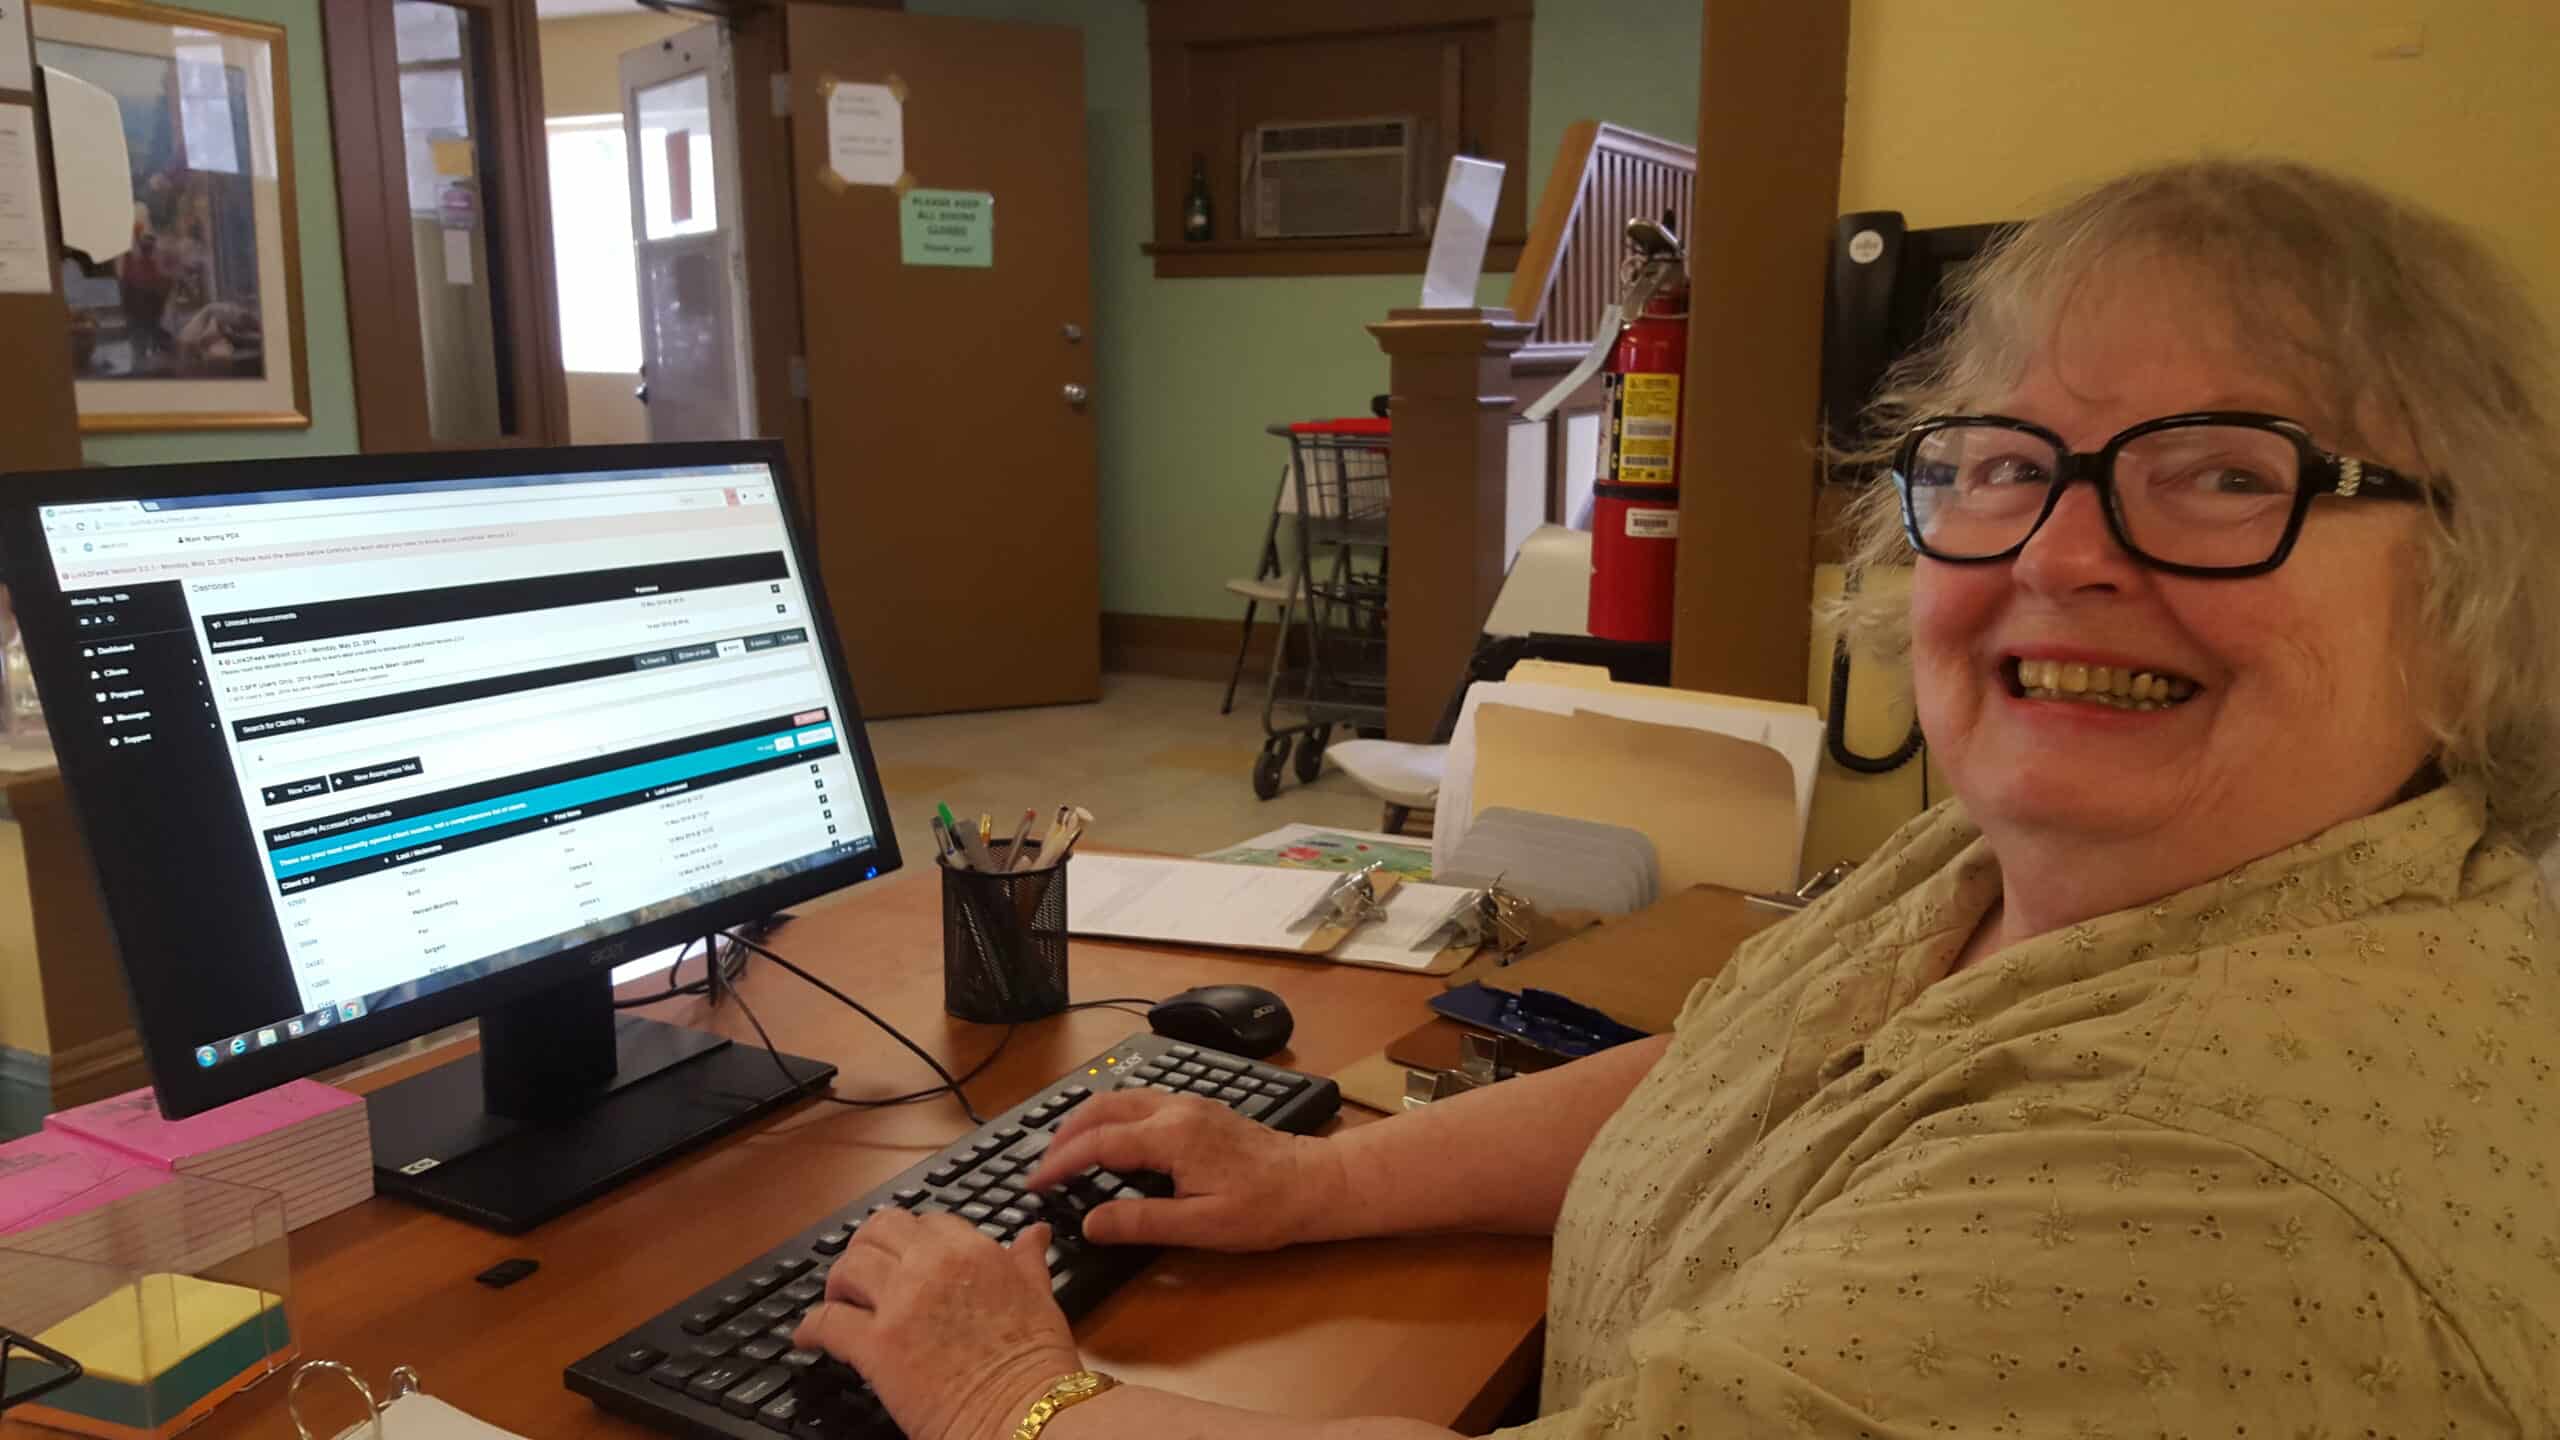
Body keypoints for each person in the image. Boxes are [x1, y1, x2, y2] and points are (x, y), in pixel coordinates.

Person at [795, 158, 2560, 1436]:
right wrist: (1318, 1182)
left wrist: (1006, 1394)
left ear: (2480, 593)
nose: (2061, 552)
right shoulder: (2026, 866)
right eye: (2005, 464)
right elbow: (1750, 1074)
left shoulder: (2228, 1179)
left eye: (2219, 478)